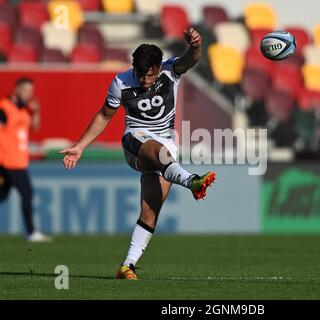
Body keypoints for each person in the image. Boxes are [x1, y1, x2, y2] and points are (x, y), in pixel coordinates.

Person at [59, 28, 216, 280]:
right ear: (134, 67)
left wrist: (196, 44)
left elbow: (191, 59)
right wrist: (80, 146)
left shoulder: (169, 71)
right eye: (141, 74)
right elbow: (104, 115)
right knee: (158, 150)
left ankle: (127, 266)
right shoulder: (121, 83)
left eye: (150, 75)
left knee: (151, 209)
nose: (145, 80)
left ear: (158, 67)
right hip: (135, 142)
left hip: (166, 147)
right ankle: (192, 180)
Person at [0, 78, 51, 242]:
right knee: (27, 194)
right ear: (17, 90)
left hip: (18, 161)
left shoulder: (23, 111)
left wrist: (36, 112)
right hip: (8, 162)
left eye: (31, 92)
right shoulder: (4, 108)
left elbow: (34, 128)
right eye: (26, 91)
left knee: (2, 195)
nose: (30, 95)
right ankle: (31, 232)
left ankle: (31, 232)